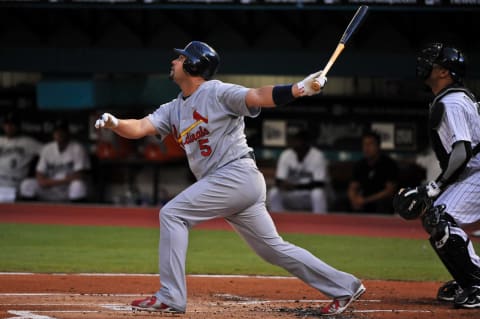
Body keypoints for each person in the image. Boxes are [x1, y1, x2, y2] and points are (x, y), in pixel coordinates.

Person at [95, 41, 365, 316]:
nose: (174, 61)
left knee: (172, 214)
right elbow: (140, 127)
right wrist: (115, 123)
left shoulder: (216, 91)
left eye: (180, 58)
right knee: (272, 250)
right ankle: (345, 286)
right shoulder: (174, 108)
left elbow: (258, 96)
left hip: (236, 174)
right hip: (228, 183)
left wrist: (299, 88)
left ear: (192, 65)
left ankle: (170, 296)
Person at [393, 42, 480, 309]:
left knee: (440, 216)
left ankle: (476, 283)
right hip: (472, 172)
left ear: (445, 72)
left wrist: (433, 187)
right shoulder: (451, 97)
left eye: (433, 61)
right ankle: (469, 279)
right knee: (434, 216)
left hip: (476, 171)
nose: (425, 64)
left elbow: (462, 149)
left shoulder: (452, 101)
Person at [20, 119, 91, 202]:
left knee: (78, 185)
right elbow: (39, 175)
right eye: (57, 131)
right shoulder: (47, 148)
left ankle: (77, 213)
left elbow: (79, 175)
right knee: (27, 184)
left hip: (67, 189)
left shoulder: (77, 148)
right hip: (50, 189)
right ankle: (31, 213)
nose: (59, 134)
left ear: (68, 133)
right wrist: (49, 182)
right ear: (53, 134)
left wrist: (51, 182)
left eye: (62, 131)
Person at [267, 129, 329, 213]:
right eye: (297, 141)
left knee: (318, 193)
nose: (299, 144)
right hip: (291, 194)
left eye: (302, 141)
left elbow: (319, 184)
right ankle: (277, 220)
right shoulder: (286, 155)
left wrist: (296, 187)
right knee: (274, 193)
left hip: (307, 195)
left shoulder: (317, 156)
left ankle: (321, 221)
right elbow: (279, 180)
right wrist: (282, 184)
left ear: (308, 143)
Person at [347, 130, 399, 214]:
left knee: (383, 204)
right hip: (363, 201)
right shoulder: (360, 165)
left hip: (379, 202)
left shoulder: (388, 164)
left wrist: (365, 200)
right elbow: (352, 187)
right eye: (364, 144)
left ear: (378, 146)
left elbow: (389, 191)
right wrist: (354, 199)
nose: (366, 148)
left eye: (370, 144)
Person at [0, 111, 43, 202]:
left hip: (13, 184)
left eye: (12, 124)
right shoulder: (0, 140)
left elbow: (49, 153)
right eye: (7, 124)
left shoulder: (28, 142)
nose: (9, 127)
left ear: (18, 126)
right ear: (3, 126)